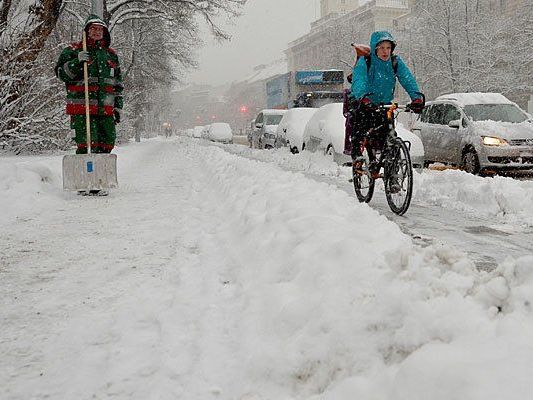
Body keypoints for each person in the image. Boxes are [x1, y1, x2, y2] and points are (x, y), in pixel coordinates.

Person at [350, 31, 424, 165]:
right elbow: (359, 80)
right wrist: (363, 97)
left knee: (389, 136)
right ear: (375, 49)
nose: (385, 52)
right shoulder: (365, 62)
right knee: (359, 129)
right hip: (366, 103)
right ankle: (357, 155)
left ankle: (392, 172)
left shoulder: (395, 62)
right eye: (382, 48)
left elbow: (407, 79)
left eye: (388, 48)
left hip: (385, 104)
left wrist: (416, 98)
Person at [55, 14, 124, 154]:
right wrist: (77, 62)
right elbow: (61, 74)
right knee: (86, 146)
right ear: (86, 30)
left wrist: (117, 107)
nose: (97, 32)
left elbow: (117, 84)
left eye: (100, 29)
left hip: (105, 109)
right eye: (93, 28)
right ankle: (86, 174)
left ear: (105, 32)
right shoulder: (73, 51)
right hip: (82, 109)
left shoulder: (110, 55)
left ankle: (101, 175)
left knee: (107, 144)